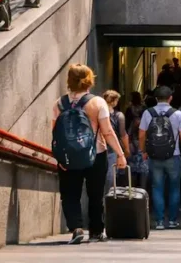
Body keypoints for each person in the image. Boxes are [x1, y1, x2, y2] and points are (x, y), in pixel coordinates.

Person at [53, 64, 126, 244]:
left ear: (69, 80)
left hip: (68, 157)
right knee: (95, 194)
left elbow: (55, 133)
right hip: (96, 154)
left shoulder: (59, 103)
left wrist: (59, 156)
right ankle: (95, 230)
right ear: (89, 80)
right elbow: (107, 131)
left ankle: (76, 227)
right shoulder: (97, 102)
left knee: (70, 194)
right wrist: (120, 154)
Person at [139, 85, 181, 230]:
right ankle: (172, 220)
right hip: (173, 156)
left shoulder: (148, 113)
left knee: (157, 188)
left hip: (154, 157)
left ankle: (159, 221)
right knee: (174, 188)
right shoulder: (178, 114)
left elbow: (141, 135)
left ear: (156, 98)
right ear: (170, 98)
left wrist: (143, 151)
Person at [102, 90, 131, 189]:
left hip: (98, 149)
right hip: (112, 150)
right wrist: (126, 149)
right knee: (111, 177)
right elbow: (123, 135)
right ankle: (108, 200)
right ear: (114, 101)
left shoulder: (98, 113)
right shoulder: (119, 116)